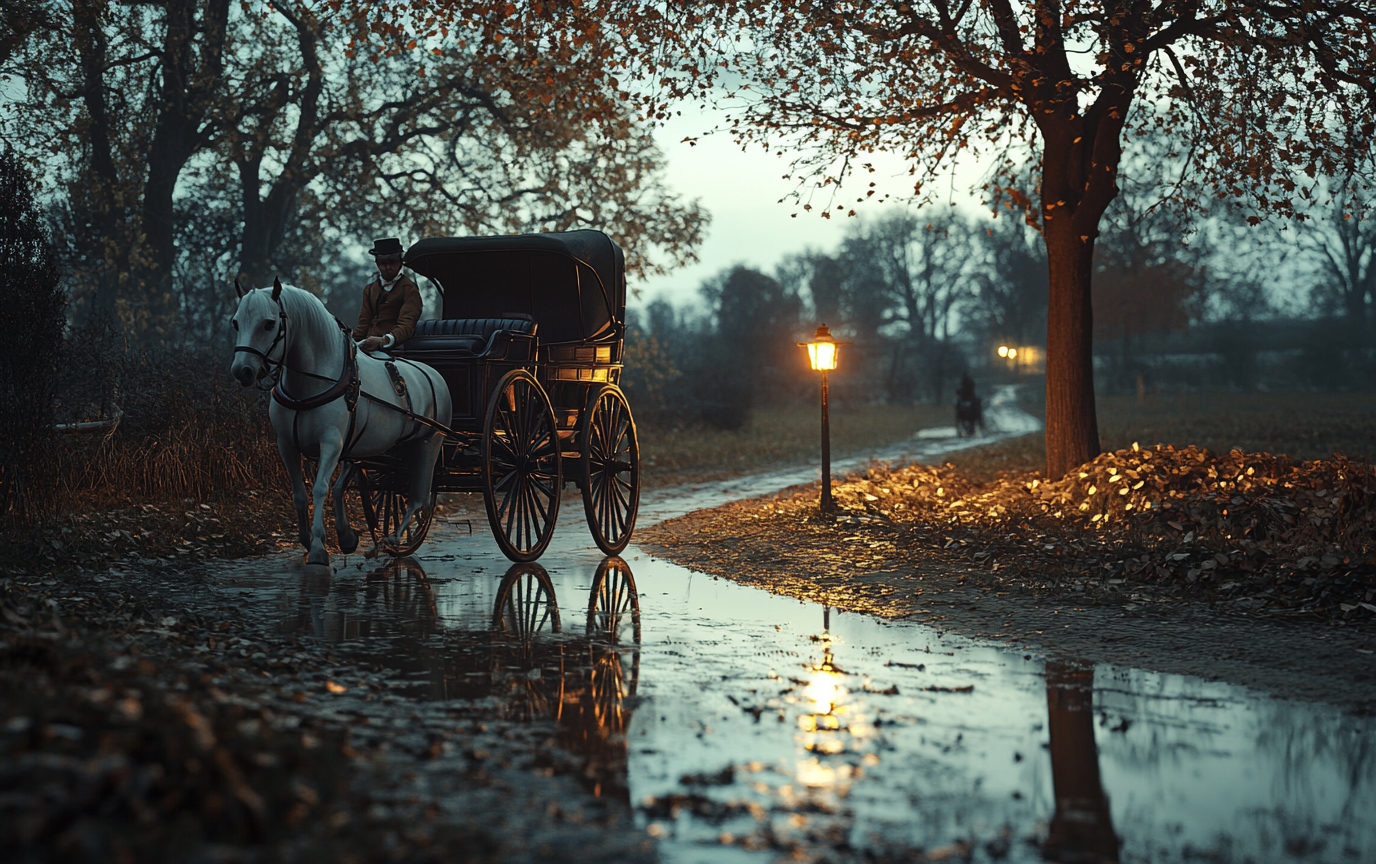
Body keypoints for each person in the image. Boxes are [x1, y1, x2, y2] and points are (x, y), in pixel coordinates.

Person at [354, 237, 422, 353]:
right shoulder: (370, 289)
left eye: (392, 262)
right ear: (377, 263)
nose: (388, 268)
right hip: (368, 347)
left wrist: (384, 340)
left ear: (400, 262)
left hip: (395, 348)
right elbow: (364, 322)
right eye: (383, 263)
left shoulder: (409, 289)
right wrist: (353, 341)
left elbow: (407, 325)